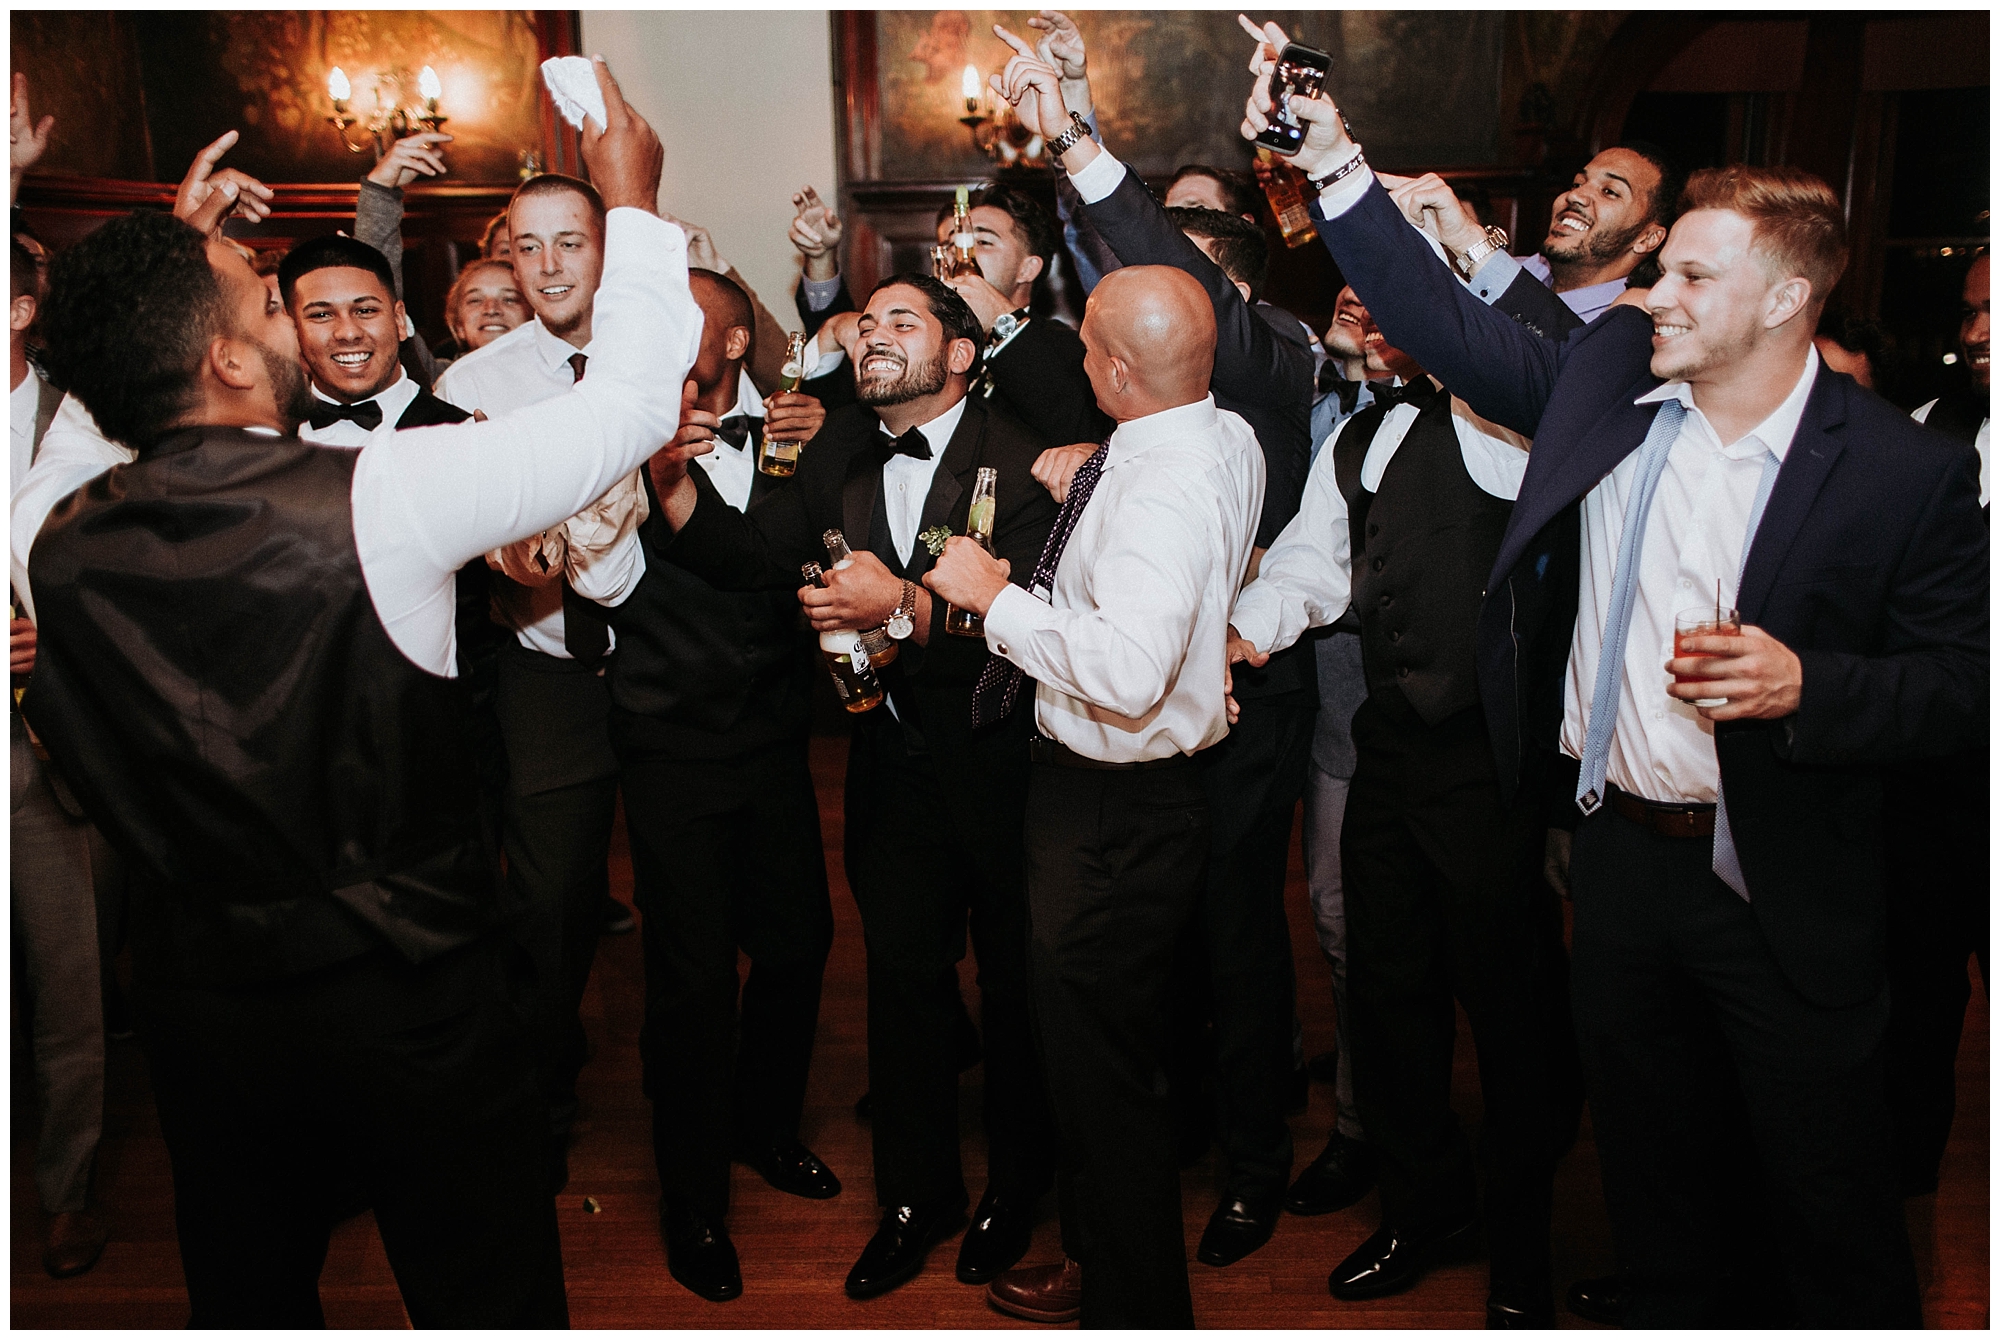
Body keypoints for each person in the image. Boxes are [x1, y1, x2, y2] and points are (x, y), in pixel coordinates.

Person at [1244, 26, 1984, 1325]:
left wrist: (1810, 685)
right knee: (1653, 1173)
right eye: (1663, 267)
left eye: (1693, 275)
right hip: (1620, 866)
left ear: (1783, 300)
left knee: (1823, 1194)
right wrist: (1333, 158)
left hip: (1777, 869)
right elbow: (1435, 317)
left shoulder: (1901, 472)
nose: (1657, 294)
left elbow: (1964, 685)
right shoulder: (1609, 391)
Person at [22, 60, 695, 1326]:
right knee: (483, 1290)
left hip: (201, 1004)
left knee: (250, 1291)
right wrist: (632, 202)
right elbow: (625, 407)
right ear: (227, 358)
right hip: (412, 988)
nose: (296, 327)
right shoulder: (385, 494)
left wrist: (158, 274)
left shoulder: (47, 535)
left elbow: (83, 419)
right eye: (266, 307)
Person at [647, 273, 1061, 1301]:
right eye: (865, 321)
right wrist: (669, 483)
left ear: (958, 355)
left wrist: (903, 605)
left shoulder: (1024, 457)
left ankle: (1016, 1189)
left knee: (1016, 990)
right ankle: (915, 1200)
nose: (872, 333)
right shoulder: (834, 447)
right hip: (893, 763)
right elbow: (752, 555)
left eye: (900, 321)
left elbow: (1040, 630)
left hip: (1006, 768)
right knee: (903, 988)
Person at [991, 22, 1314, 1273]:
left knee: (1222, 959)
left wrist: (1075, 133)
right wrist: (1098, 466)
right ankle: (1145, 1186)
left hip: (1202, 731)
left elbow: (1129, 656)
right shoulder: (1192, 428)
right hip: (1149, 741)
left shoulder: (1261, 359)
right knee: (1134, 999)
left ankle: (1230, 1181)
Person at [1226, 212, 1587, 1322]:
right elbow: (1310, 567)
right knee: (1386, 998)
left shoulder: (1503, 417)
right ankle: (1423, 1206)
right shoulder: (1357, 439)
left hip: (1487, 764)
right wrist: (1243, 632)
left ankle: (1525, 1248)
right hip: (1388, 752)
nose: (1376, 314)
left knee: (1511, 1012)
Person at [925, 250, 1261, 1325]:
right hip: (1144, 798)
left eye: (1085, 351)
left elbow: (1124, 670)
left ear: (1117, 370)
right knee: (1108, 1055)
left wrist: (993, 598)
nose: (1075, 363)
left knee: (1101, 1075)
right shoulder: (1221, 434)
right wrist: (1095, 476)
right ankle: (1100, 1261)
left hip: (1110, 809)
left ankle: (1135, 1307)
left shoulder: (1158, 484)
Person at [595, 267, 839, 1303]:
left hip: (776, 738)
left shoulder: (799, 432)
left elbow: (797, 557)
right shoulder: (611, 438)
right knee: (691, 981)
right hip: (669, 743)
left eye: (682, 321)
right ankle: (691, 1202)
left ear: (735, 342)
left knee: (798, 943)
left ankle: (764, 1127)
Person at [435, 170, 658, 1189]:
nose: (550, 265)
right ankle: (541, 1095)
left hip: (666, 664)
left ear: (606, 248)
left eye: (570, 241)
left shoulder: (658, 356)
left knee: (690, 895)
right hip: (546, 671)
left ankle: (693, 1096)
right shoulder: (469, 387)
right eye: (528, 247)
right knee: (549, 903)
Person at [12, 231, 121, 1281]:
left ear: (19, 311)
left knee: (70, 979)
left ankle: (68, 1189)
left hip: (55, 741)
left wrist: (63, 632)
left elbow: (144, 557)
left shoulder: (86, 415)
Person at [1881, 249, 1989, 1203]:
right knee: (1916, 987)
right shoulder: (1927, 430)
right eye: (1971, 312)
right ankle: (1900, 1187)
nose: (1979, 333)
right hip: (1935, 773)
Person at [792, 180, 1108, 447]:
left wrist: (1002, 322)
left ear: (1028, 268)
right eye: (948, 244)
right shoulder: (915, 341)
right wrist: (820, 259)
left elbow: (1077, 429)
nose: (959, 255)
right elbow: (845, 404)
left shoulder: (1065, 350)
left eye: (981, 241)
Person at [1450, 144, 1680, 323]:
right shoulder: (1511, 267)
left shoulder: (1629, 322)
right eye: (1577, 184)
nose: (1574, 196)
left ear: (1647, 238)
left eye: (1609, 191)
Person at [443, 256, 531, 356]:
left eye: (509, 299)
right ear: (459, 326)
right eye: (475, 300)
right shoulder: (440, 366)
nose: (491, 309)